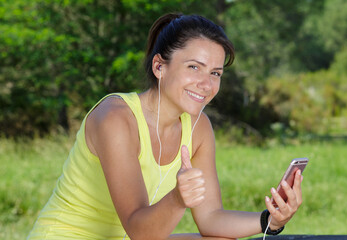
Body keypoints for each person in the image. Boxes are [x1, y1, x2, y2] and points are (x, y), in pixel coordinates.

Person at [27, 13, 303, 240]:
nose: (206, 85)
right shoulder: (115, 118)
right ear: (159, 66)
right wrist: (177, 200)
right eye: (194, 67)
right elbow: (140, 231)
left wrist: (270, 219)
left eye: (215, 73)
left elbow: (210, 219)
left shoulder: (199, 128)